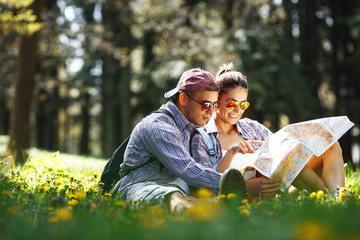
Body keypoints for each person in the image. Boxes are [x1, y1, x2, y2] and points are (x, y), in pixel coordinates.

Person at [191, 63, 345, 198]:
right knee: (287, 158)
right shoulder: (202, 138)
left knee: (329, 143)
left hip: (279, 188)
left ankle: (337, 199)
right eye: (231, 104)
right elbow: (206, 184)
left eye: (243, 105)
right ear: (216, 101)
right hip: (250, 195)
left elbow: (283, 152)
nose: (238, 110)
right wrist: (231, 152)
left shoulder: (251, 127)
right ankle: (328, 201)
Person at [112, 68, 247, 212]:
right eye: (206, 105)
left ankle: (209, 210)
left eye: (214, 105)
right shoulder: (160, 126)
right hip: (142, 186)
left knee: (197, 198)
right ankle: (189, 213)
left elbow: (200, 174)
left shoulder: (190, 126)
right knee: (172, 196)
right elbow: (188, 169)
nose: (211, 111)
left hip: (176, 188)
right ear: (183, 99)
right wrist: (243, 184)